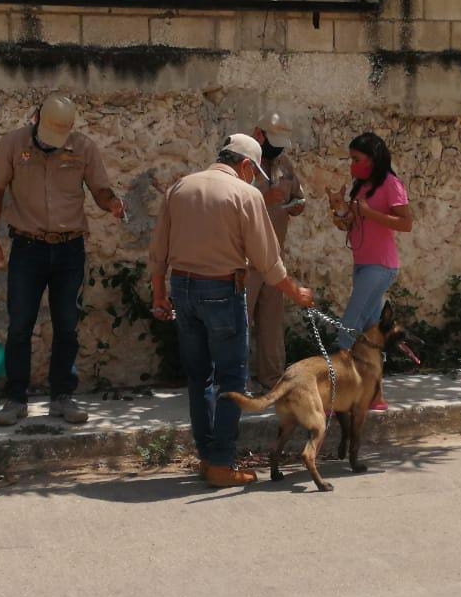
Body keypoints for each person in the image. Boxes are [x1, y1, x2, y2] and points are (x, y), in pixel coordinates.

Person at [149, 134, 315, 488]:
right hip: (222, 289)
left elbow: (158, 251)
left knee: (199, 378)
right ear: (245, 166)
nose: (254, 180)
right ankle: (221, 463)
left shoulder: (180, 188)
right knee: (231, 378)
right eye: (254, 173)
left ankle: (208, 457)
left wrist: (159, 296)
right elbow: (268, 262)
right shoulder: (245, 194)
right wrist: (295, 291)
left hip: (183, 288)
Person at [0, 93, 125, 427]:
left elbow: (100, 189)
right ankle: (16, 399)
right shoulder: (13, 143)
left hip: (69, 250)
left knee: (67, 325)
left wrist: (112, 203)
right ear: (36, 119)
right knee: (19, 325)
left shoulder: (84, 148)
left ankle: (62, 397)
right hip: (27, 249)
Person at [326, 131, 413, 411]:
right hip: (363, 264)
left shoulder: (391, 184)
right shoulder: (361, 186)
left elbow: (405, 223)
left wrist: (368, 213)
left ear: (373, 158)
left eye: (357, 159)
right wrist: (341, 211)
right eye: (350, 159)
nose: (352, 164)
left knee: (347, 328)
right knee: (371, 332)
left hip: (381, 266)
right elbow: (352, 223)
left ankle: (334, 395)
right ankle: (376, 397)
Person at [246, 112, 306, 391]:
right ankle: (236, 381)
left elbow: (299, 196)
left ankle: (272, 379)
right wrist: (263, 198)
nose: (278, 148)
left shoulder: (284, 163)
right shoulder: (242, 163)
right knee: (239, 322)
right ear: (259, 134)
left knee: (271, 323)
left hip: (274, 259)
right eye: (274, 141)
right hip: (244, 259)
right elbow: (231, 203)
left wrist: (297, 205)